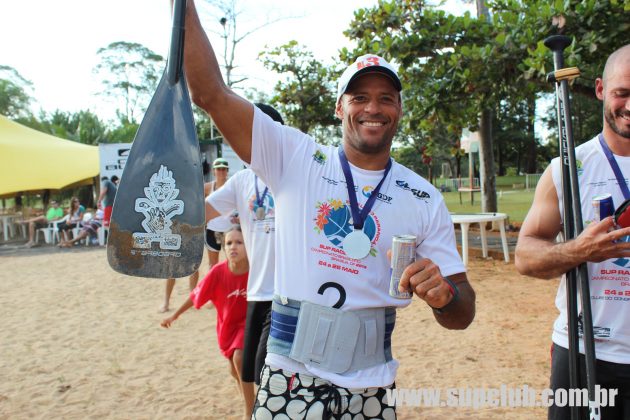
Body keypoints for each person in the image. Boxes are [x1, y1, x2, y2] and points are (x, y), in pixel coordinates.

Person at [175, 2, 476, 417]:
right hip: (290, 382)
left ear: (399, 110)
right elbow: (209, 92)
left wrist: (444, 297)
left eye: (386, 98)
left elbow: (462, 314)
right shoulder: (294, 157)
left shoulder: (422, 197)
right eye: (359, 97)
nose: (373, 108)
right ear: (339, 107)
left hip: (373, 389)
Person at [515, 44, 630, 419]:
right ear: (600, 90)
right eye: (622, 93)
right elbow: (526, 256)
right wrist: (579, 250)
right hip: (583, 352)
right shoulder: (567, 169)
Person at [205, 103, 283, 415]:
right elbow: (204, 213)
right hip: (257, 291)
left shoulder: (296, 173)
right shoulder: (240, 181)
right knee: (246, 369)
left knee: (267, 368)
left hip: (289, 293)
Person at [161, 226, 253, 419]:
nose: (233, 247)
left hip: (248, 325)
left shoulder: (256, 270)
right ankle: (247, 397)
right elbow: (195, 296)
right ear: (223, 247)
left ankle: (249, 411)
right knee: (234, 371)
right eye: (229, 243)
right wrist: (174, 315)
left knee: (239, 359)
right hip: (226, 327)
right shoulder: (217, 272)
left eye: (239, 242)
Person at [160, 163, 219, 313]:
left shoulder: (197, 191)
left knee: (193, 266)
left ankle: (192, 297)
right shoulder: (173, 191)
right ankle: (166, 302)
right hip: (175, 231)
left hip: (192, 232)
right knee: (172, 268)